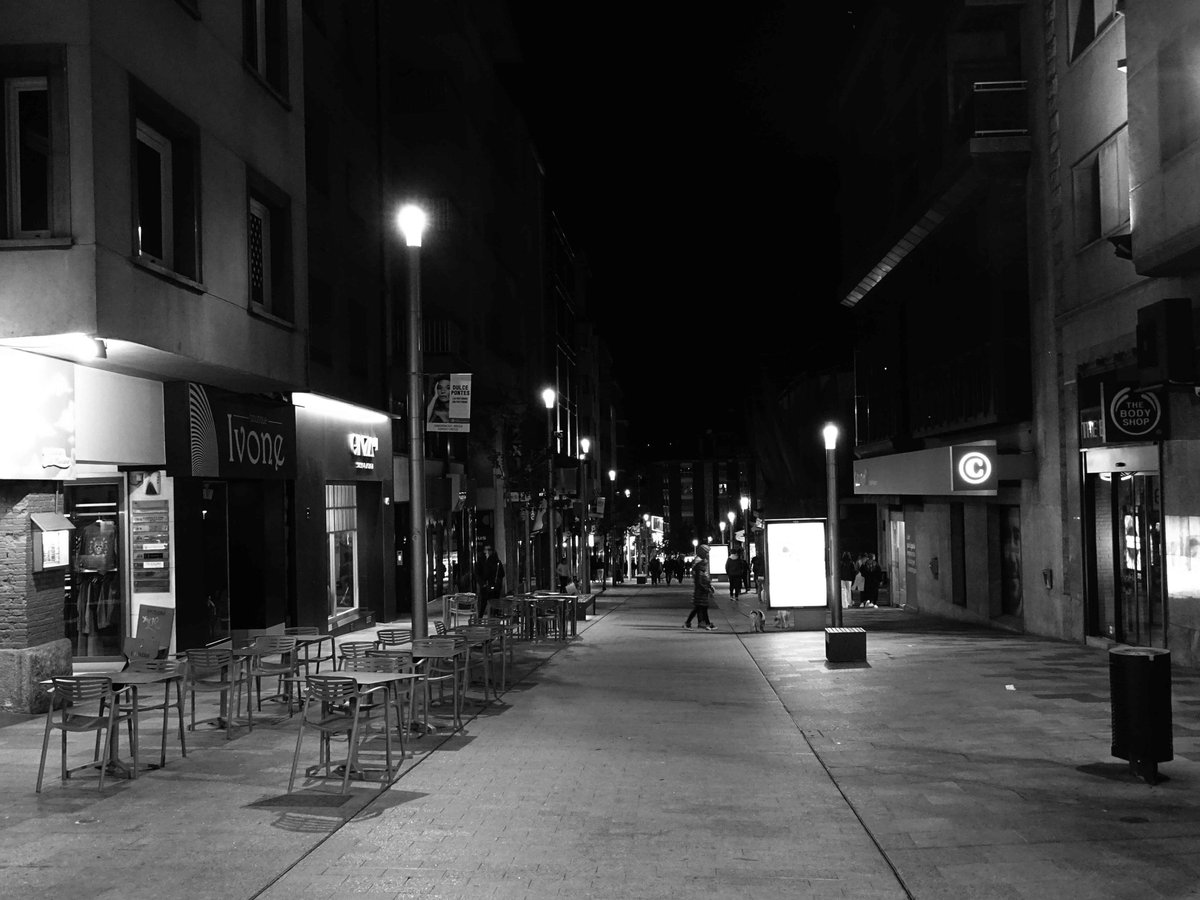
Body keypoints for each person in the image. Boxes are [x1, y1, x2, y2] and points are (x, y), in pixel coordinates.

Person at [476, 543, 504, 618]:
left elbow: (501, 574)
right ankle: (491, 617)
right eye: (487, 550)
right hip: (491, 586)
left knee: (486, 603)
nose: (488, 552)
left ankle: (486, 618)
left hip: (490, 586)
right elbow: (478, 574)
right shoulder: (493, 561)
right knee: (488, 603)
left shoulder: (490, 561)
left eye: (489, 550)